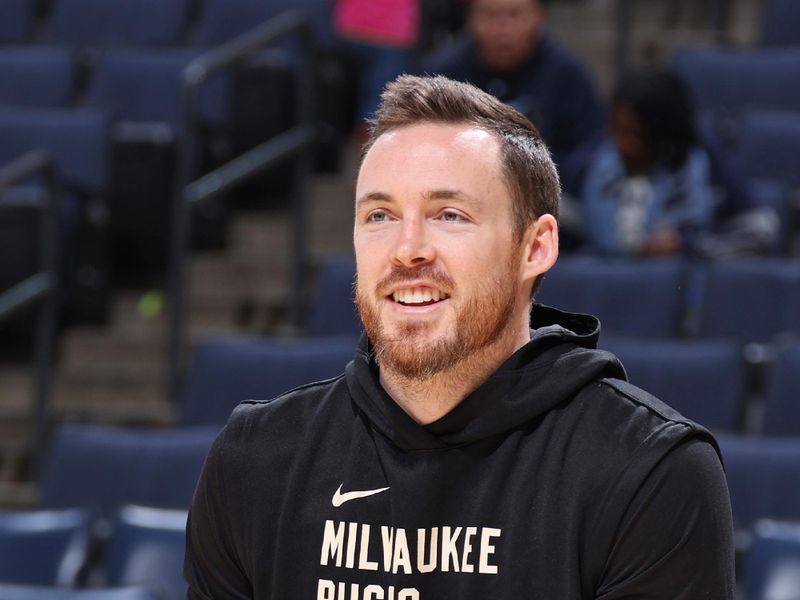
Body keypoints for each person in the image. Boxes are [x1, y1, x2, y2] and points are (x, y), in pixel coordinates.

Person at [184, 75, 735, 598]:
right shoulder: (253, 458)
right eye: (380, 215)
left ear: (535, 246)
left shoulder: (650, 472)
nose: (407, 249)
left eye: (449, 214)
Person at [421, 0, 603, 167]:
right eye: (490, 15)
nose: (503, 28)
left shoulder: (569, 75)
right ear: (470, 18)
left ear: (539, 17)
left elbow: (589, 146)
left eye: (515, 14)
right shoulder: (440, 76)